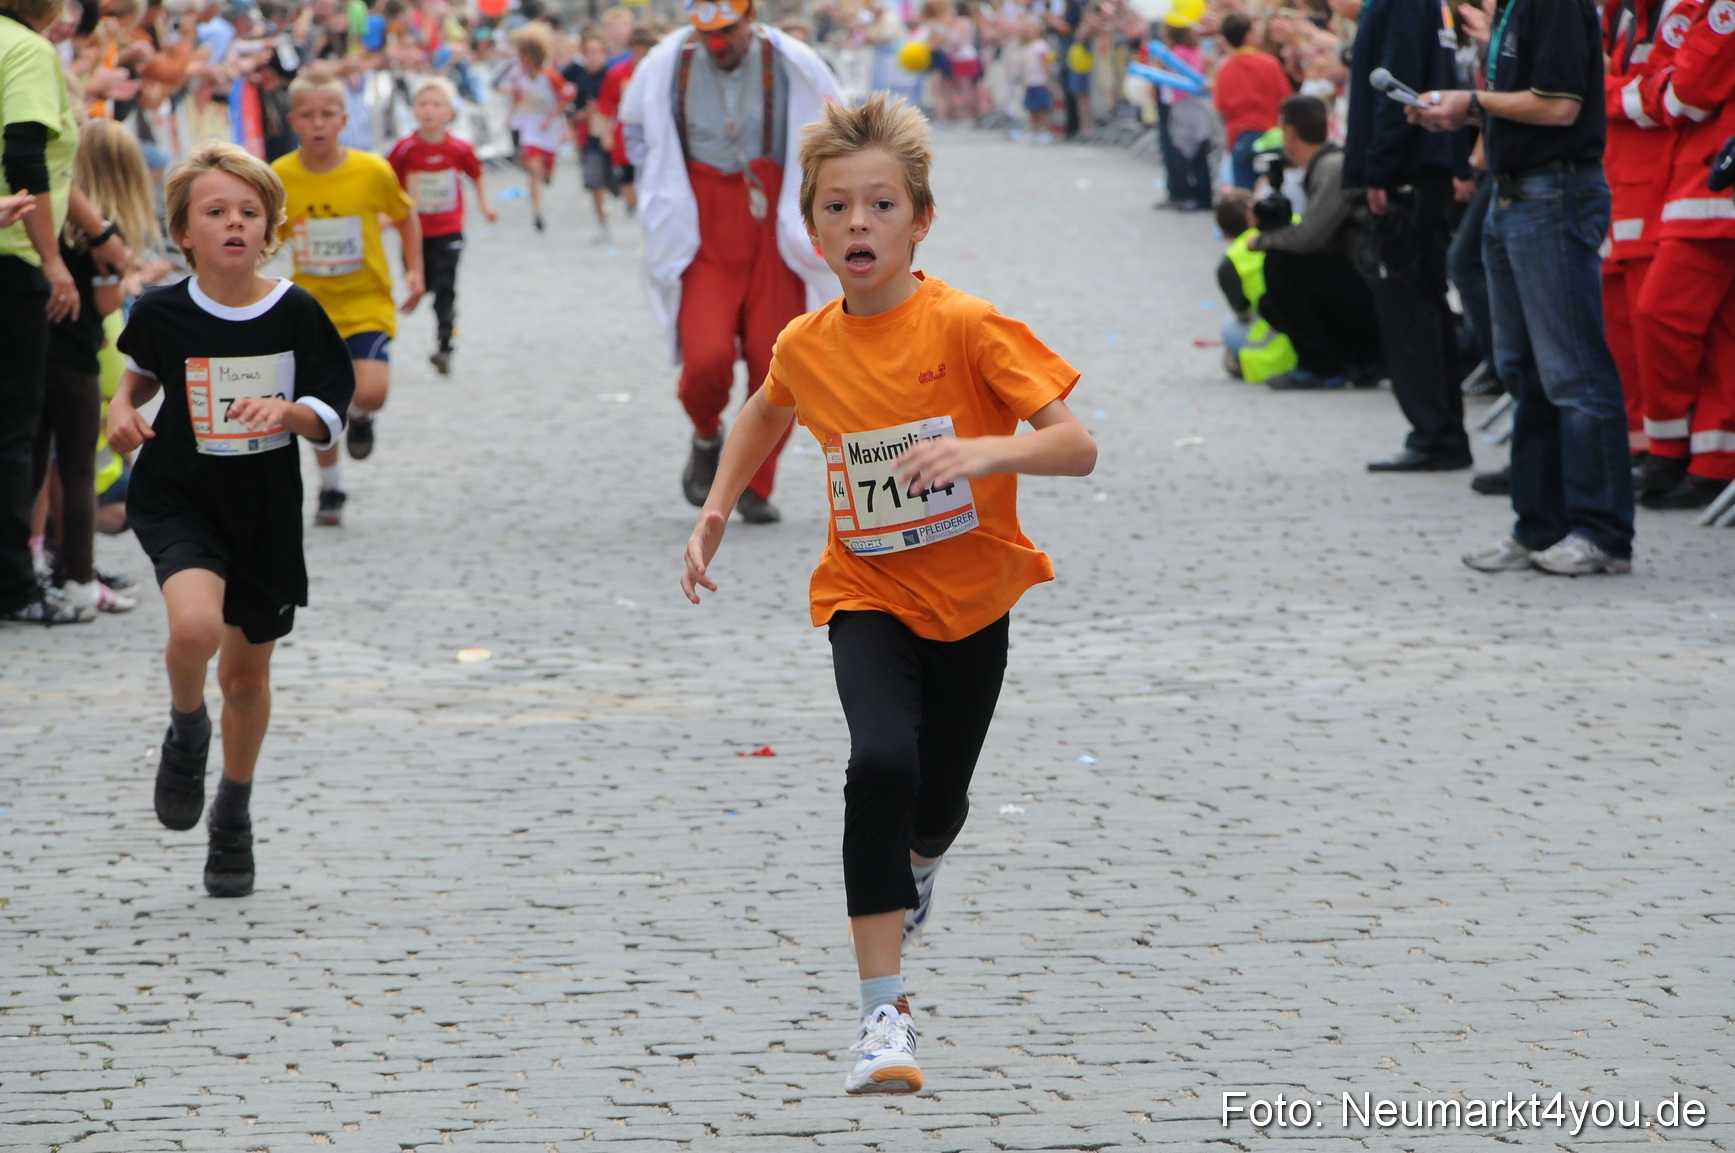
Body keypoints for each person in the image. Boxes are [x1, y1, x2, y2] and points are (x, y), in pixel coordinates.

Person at [679, 94, 1096, 1096]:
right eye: (835, 207)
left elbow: (1075, 445)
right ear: (812, 226)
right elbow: (764, 408)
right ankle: (883, 1016)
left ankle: (920, 860)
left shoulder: (966, 325)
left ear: (919, 219)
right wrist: (717, 508)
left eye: (878, 205)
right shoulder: (806, 342)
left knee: (935, 801)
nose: (856, 223)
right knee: (878, 761)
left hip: (973, 597)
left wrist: (984, 448)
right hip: (864, 591)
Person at [106, 141, 354, 897]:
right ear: (184, 229)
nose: (235, 224)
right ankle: (186, 728)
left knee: (246, 678)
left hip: (264, 509)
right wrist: (121, 408)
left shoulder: (297, 310)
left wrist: (289, 411)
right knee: (194, 630)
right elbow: (144, 373)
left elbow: (328, 406)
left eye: (250, 212)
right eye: (216, 212)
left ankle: (234, 809)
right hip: (181, 490)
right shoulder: (161, 310)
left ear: (269, 226)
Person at [1410, 0, 1635, 576]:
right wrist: (1459, 114)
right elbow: (1528, 105)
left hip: (1552, 194)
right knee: (1526, 372)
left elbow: (1560, 106)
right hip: (1515, 195)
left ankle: (1600, 532)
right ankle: (1540, 526)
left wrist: (1472, 102)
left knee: (1573, 372)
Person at [618, 0, 841, 525]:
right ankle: (706, 433)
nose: (718, 44)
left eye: (729, 32)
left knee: (779, 368)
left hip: (774, 226)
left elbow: (836, 122)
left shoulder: (793, 62)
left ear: (751, 19)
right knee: (705, 359)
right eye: (708, 33)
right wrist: (660, 187)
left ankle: (752, 485)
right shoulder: (665, 64)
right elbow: (631, 131)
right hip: (702, 226)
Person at [2, 0, 131, 625]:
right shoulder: (25, 50)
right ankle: (29, 581)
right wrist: (54, 260)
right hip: (16, 263)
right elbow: (27, 154)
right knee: (24, 440)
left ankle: (28, 568)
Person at [272, 67, 422, 528]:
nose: (318, 123)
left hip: (365, 302)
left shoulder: (371, 170)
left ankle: (359, 415)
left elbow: (404, 216)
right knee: (320, 402)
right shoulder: (280, 176)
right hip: (311, 309)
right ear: (293, 121)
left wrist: (414, 271)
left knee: (371, 392)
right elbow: (268, 237)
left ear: (343, 119)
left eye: (328, 114)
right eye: (308, 115)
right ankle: (331, 488)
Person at [32, 119, 158, 615]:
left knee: (37, 463)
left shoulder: (50, 216)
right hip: (78, 356)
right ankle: (79, 575)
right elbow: (105, 305)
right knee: (80, 468)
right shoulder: (103, 231)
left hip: (34, 348)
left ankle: (39, 562)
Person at [1342, 0, 1472, 472]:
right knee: (1426, 304)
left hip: (1406, 175)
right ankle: (1441, 430)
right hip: (1424, 169)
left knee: (1409, 310)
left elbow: (1394, 86)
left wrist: (1379, 170)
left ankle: (1435, 434)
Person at [1630, 0, 1735, 510]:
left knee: (1660, 314)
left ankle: (1673, 451)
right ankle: (1710, 465)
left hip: (1711, 188)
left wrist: (1659, 87)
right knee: (1719, 334)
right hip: (1699, 186)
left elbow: (1684, 97)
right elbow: (1658, 91)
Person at [1249, 95, 1383, 391]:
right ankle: (1342, 357)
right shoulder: (1325, 164)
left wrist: (1263, 240)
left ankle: (1320, 365)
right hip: (1355, 277)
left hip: (1365, 282)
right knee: (1271, 302)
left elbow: (1310, 237)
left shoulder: (1333, 166)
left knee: (1279, 263)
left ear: (1290, 132)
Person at [387, 75, 496, 377]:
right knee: (421, 283)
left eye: (437, 105)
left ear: (450, 112)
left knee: (446, 288)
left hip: (448, 229)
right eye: (423, 104)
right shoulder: (405, 149)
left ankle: (445, 345)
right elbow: (386, 182)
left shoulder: (459, 148)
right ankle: (419, 289)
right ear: (414, 110)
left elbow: (476, 174)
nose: (429, 110)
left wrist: (486, 206)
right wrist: (386, 214)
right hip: (414, 232)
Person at [1214, 190, 1299, 384]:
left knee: (1230, 328)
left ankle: (1239, 362)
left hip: (1279, 351)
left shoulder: (1232, 261)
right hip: (1332, 334)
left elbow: (1242, 313)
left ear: (1226, 234)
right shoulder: (1297, 224)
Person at [503, 22, 571, 233]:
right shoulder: (519, 76)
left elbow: (567, 95)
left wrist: (552, 117)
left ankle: (547, 174)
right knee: (533, 170)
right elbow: (517, 97)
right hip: (530, 127)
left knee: (545, 173)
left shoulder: (549, 75)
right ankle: (537, 212)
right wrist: (511, 117)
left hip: (548, 127)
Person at [1214, 11, 1293, 190]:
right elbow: (1285, 98)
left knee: (1243, 193)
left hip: (1240, 137)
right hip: (1270, 135)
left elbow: (1220, 107)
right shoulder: (1270, 63)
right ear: (1248, 35)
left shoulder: (1225, 68)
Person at [597, 25, 657, 219]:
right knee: (627, 178)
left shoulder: (659, 71)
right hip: (626, 134)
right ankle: (636, 205)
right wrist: (605, 132)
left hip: (654, 132)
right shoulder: (617, 73)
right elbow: (606, 105)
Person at [564, 29, 617, 238]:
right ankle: (602, 221)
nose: (593, 57)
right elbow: (574, 113)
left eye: (597, 52)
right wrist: (585, 114)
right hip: (592, 136)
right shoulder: (582, 78)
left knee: (619, 181)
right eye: (589, 53)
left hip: (614, 136)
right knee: (594, 180)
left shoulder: (612, 75)